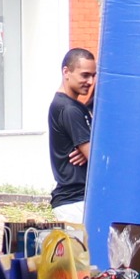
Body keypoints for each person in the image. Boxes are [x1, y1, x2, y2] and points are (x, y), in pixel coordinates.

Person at [47, 48, 96, 222]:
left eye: (93, 75)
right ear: (66, 72)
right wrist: (91, 151)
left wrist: (90, 148)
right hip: (74, 202)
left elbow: (91, 153)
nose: (90, 81)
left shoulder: (74, 106)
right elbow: (96, 158)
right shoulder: (69, 109)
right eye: (85, 75)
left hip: (77, 201)